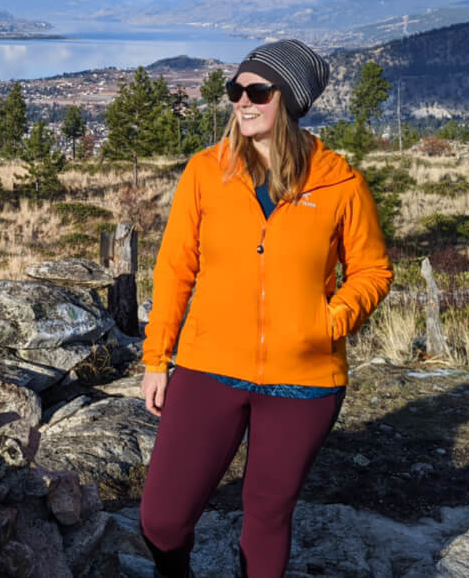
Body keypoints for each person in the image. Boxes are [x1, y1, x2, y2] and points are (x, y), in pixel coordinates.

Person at [139, 39, 392, 578]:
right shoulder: (206, 172)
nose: (241, 101)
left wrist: (331, 320)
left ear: (292, 101)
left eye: (258, 90)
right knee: (161, 519)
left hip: (304, 379)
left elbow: (373, 271)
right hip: (209, 366)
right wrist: (157, 358)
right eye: (235, 90)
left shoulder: (339, 182)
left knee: (267, 517)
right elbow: (174, 271)